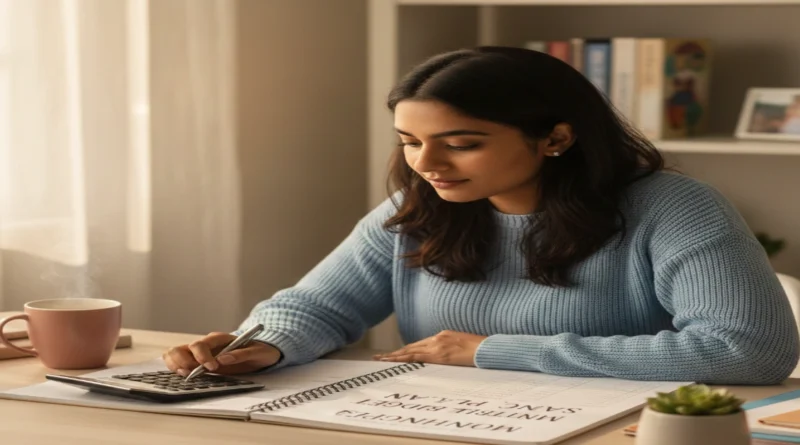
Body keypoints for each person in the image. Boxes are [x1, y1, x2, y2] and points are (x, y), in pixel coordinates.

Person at [164, 46, 799, 385]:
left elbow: (745, 352)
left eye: (461, 143)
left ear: (555, 137)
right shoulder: (420, 207)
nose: (426, 164)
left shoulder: (674, 209)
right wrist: (265, 343)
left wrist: (494, 351)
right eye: (409, 141)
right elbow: (319, 308)